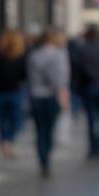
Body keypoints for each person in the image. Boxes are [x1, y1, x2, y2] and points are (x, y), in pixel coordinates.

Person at [27, 29, 71, 177]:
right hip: (52, 96)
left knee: (40, 130)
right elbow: (60, 79)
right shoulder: (59, 55)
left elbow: (30, 78)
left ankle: (42, 158)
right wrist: (64, 98)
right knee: (50, 129)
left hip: (37, 96)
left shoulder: (34, 55)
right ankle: (47, 157)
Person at [74, 25, 99, 158]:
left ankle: (93, 147)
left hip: (90, 87)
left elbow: (79, 71)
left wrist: (78, 89)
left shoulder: (83, 50)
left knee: (91, 119)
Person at [0, 28, 28, 158]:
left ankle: (5, 142)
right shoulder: (20, 55)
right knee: (14, 120)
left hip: (3, 91)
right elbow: (25, 75)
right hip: (14, 91)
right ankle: (8, 142)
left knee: (4, 119)